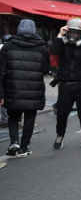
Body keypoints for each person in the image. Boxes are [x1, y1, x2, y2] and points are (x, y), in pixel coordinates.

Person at [0, 19, 50, 157]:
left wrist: (1, 93)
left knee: (13, 116)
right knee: (30, 117)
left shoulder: (8, 46)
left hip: (12, 88)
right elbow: (46, 69)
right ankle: (23, 148)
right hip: (34, 89)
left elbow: (1, 72)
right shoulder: (41, 47)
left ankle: (14, 141)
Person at [49, 19, 81, 149]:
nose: (72, 35)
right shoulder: (63, 45)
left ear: (80, 34)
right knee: (62, 113)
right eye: (71, 32)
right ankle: (60, 136)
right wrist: (60, 35)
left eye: (76, 33)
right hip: (65, 85)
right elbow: (53, 50)